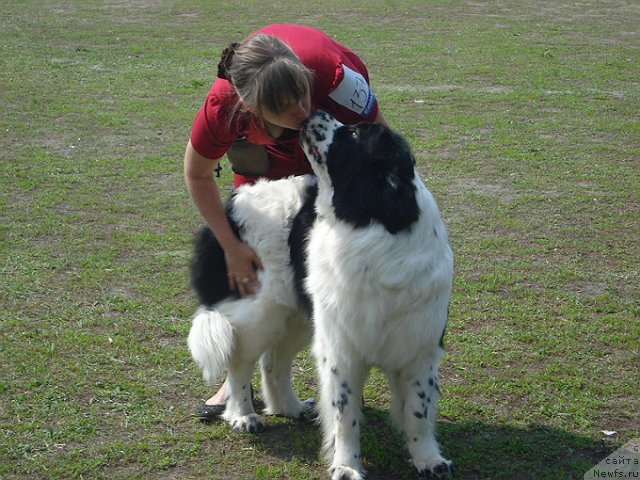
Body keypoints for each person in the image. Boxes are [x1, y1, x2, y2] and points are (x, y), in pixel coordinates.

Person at [184, 24, 387, 421]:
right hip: (264, 173)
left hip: (329, 163)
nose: (302, 111)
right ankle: (236, 377)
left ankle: (323, 383)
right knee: (265, 286)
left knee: (325, 287)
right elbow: (197, 174)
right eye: (286, 107)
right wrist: (232, 248)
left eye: (302, 96)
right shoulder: (222, 106)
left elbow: (379, 146)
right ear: (250, 107)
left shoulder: (334, 78)